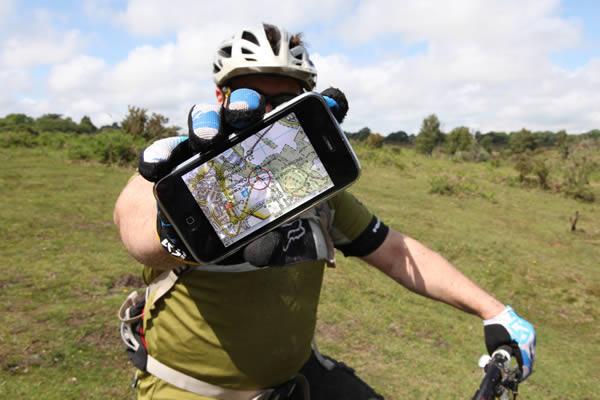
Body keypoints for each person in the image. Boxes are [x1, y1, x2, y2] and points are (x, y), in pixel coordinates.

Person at [114, 23, 536, 400]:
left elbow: (394, 251)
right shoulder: (181, 166)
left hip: (296, 380)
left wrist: (493, 310)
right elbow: (133, 225)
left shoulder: (312, 189)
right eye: (256, 97)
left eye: (286, 99)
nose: (269, 112)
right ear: (222, 96)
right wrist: (172, 227)